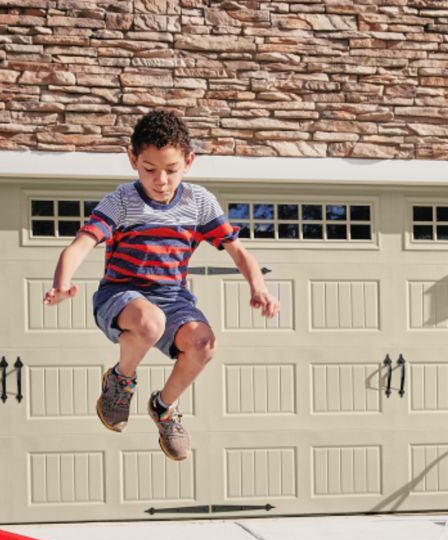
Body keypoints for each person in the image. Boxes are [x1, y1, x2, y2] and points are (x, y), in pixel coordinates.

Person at [44, 109, 279, 460]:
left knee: (203, 344)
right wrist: (62, 283)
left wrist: (258, 287)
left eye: (171, 170)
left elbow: (238, 251)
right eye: (149, 169)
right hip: (121, 293)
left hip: (172, 296)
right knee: (149, 321)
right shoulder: (122, 201)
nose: (161, 180)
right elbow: (81, 244)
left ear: (188, 161)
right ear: (132, 160)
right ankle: (119, 382)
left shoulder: (199, 203)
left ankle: (164, 407)